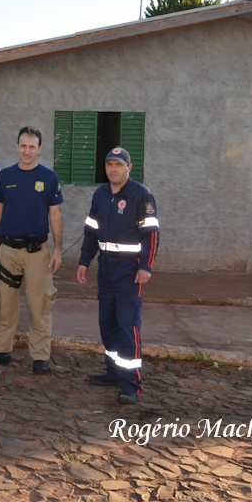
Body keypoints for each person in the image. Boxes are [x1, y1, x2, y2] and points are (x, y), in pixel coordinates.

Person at [76, 147, 159, 405]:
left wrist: (146, 266)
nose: (113, 169)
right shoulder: (100, 195)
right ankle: (113, 372)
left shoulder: (141, 195)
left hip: (130, 272)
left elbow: (151, 235)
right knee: (107, 324)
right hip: (106, 269)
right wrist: (84, 262)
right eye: (109, 164)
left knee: (127, 326)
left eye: (119, 164)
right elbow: (91, 232)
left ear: (128, 167)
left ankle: (131, 384)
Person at [0, 126, 63, 373]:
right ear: (17, 147)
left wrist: (58, 249)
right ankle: (1, 350)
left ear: (40, 149)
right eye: (23, 146)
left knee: (40, 305)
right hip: (7, 251)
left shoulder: (49, 178)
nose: (27, 151)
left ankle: (40, 358)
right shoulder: (5, 176)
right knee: (5, 303)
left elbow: (55, 215)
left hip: (38, 253)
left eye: (32, 147)